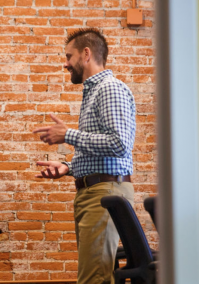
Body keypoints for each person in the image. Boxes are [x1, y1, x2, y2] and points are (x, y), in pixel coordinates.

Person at [33, 28, 136, 284]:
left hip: (104, 193)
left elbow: (119, 144)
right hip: (95, 191)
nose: (65, 63)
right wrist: (68, 167)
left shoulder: (110, 88)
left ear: (86, 54)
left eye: (69, 56)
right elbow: (103, 149)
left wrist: (68, 134)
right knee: (100, 276)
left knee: (94, 279)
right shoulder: (94, 91)